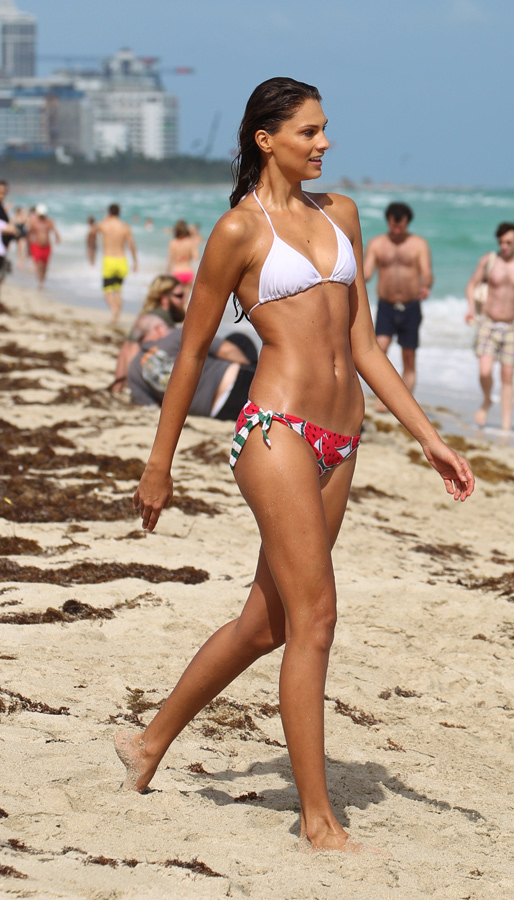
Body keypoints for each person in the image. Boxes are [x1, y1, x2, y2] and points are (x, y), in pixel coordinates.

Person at [115, 77, 474, 852]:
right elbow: (191, 355)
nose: (325, 143)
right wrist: (159, 463)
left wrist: (428, 437)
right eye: (309, 131)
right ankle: (316, 817)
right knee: (317, 617)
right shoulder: (238, 233)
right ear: (265, 139)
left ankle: (148, 743)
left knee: (267, 623)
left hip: (342, 440)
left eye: (325, 129)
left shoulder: (340, 215)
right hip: (275, 432)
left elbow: (365, 349)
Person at [465, 222, 514, 432]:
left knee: (507, 377)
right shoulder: (490, 261)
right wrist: (471, 309)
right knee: (485, 371)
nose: (504, 246)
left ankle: (506, 425)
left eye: (509, 242)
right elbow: (471, 285)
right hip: (488, 323)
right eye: (501, 242)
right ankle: (486, 400)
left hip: (512, 327)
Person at [363, 202, 433, 403]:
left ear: (407, 223)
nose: (396, 230)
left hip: (411, 307)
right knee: (379, 350)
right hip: (386, 307)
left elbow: (427, 273)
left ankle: (404, 402)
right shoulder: (377, 244)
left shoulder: (418, 244)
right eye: (392, 225)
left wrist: (425, 286)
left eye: (400, 226)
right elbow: (367, 273)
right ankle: (383, 397)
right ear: (388, 221)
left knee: (408, 357)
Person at [128, 328, 257, 418]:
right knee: (239, 340)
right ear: (157, 330)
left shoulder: (133, 373)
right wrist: (250, 366)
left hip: (217, 412)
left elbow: (150, 407)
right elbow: (226, 350)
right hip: (237, 382)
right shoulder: (176, 336)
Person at [111, 275, 187, 394]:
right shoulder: (154, 323)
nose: (184, 300)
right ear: (164, 298)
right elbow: (128, 351)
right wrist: (122, 386)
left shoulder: (155, 319)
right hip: (146, 384)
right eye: (179, 296)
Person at [94, 203, 138, 324]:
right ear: (119, 212)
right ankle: (117, 312)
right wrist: (135, 262)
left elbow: (92, 231)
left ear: (109, 212)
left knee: (107, 290)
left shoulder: (103, 224)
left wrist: (104, 219)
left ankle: (114, 311)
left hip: (109, 260)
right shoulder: (125, 227)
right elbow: (132, 246)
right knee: (118, 290)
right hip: (122, 260)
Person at [27, 203, 61, 289]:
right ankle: (40, 282)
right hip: (36, 245)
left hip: (47, 246)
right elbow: (29, 234)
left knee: (45, 266)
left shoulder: (49, 222)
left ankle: (42, 280)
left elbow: (54, 231)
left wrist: (57, 238)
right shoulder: (34, 223)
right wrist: (28, 247)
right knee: (39, 264)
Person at [166, 220, 199, 301]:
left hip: (177, 273)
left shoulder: (173, 243)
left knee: (176, 301)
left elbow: (170, 260)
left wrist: (167, 273)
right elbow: (196, 257)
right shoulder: (190, 242)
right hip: (188, 272)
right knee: (185, 300)